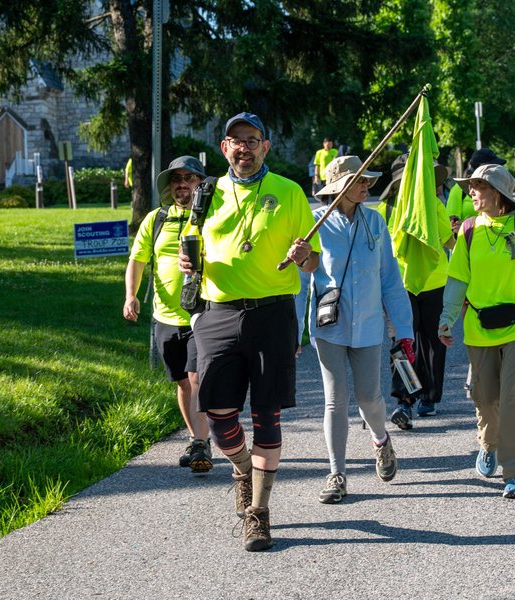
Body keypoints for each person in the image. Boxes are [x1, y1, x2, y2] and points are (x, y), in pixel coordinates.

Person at [178, 112, 319, 552]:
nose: (244, 147)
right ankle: (241, 467)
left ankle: (258, 513)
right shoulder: (207, 192)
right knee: (219, 416)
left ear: (266, 146)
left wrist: (304, 256)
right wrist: (189, 264)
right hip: (218, 313)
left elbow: (314, 263)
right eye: (236, 140)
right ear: (224, 148)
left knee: (266, 414)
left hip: (272, 314)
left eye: (252, 139)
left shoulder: (290, 192)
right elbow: (192, 245)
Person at [438, 164, 515, 499]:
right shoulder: (469, 230)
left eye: (478, 186)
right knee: (486, 399)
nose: (470, 192)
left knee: (513, 402)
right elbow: (458, 279)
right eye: (470, 186)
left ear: (498, 193)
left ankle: (514, 473)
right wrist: (447, 318)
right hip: (478, 328)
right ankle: (488, 444)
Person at [309, 155, 414, 504]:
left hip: (368, 326)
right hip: (330, 327)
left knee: (370, 397)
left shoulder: (376, 222)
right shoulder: (315, 225)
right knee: (335, 400)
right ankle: (336, 473)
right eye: (359, 180)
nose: (367, 185)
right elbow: (300, 282)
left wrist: (403, 328)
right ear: (338, 188)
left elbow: (390, 279)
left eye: (367, 179)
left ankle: (381, 440)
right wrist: (295, 331)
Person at [123, 156, 212, 472]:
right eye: (177, 179)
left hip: (202, 313)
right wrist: (131, 296)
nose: (182, 184)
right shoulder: (156, 219)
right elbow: (137, 260)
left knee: (196, 377)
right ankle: (196, 436)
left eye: (190, 178)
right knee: (182, 384)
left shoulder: (211, 216)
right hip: (164, 316)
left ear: (201, 183)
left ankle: (201, 444)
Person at [375, 153, 455, 426]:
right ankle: (405, 400)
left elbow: (448, 240)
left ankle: (429, 396)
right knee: (403, 344)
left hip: (435, 283)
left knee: (434, 343)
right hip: (399, 287)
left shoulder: (433, 204)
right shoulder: (384, 210)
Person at [446, 147, 506, 235]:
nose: (471, 192)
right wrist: (464, 229)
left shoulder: (500, 188)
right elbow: (451, 226)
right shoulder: (458, 190)